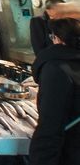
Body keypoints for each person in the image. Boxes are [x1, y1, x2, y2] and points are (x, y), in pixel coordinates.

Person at [29, 18, 80, 165]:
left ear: (58, 39)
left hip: (70, 153)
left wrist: (40, 159)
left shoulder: (56, 69)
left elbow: (50, 125)